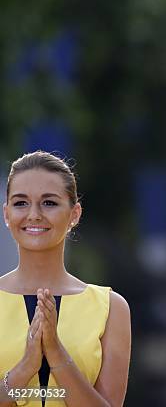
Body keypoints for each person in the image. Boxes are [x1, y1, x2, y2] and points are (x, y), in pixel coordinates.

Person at [0, 151, 131, 407]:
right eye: (20, 203)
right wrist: (26, 366)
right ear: (6, 214)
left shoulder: (110, 308)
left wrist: (56, 352)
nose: (34, 214)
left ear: (74, 214)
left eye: (49, 203)